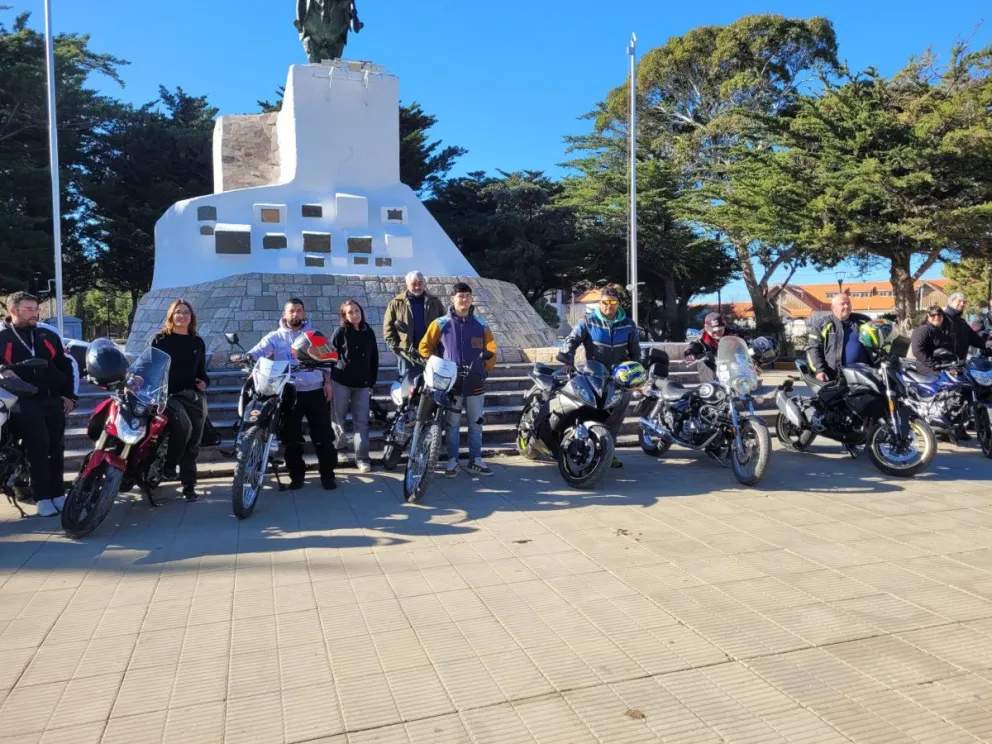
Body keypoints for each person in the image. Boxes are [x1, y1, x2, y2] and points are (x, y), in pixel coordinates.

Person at [235, 299, 337, 490]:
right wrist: (246, 357)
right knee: (291, 438)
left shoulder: (314, 334)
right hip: (288, 393)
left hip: (315, 390)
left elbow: (327, 359)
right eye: (291, 311)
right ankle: (296, 476)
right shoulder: (275, 337)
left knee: (323, 436)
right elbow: (259, 350)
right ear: (284, 314)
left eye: (299, 310)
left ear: (304, 313)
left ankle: (328, 475)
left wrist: (327, 383)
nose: (295, 314)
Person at [0, 292, 77, 516]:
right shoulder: (3, 336)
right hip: (22, 400)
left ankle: (58, 494)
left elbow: (64, 365)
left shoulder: (48, 334)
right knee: (39, 445)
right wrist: (3, 369)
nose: (34, 314)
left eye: (36, 309)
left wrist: (69, 396)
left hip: (52, 398)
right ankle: (41, 496)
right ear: (13, 310)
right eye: (28, 309)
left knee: (57, 446)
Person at [419, 283, 497, 478]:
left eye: (468, 296)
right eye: (461, 296)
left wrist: (484, 371)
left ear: (471, 299)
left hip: (475, 383)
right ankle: (452, 460)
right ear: (452, 299)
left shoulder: (481, 325)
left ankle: (475, 459)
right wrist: (437, 367)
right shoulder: (440, 323)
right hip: (451, 385)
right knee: (451, 424)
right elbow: (424, 348)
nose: (464, 299)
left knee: (476, 423)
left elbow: (492, 351)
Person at [560, 285, 640, 468]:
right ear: (600, 303)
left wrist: (636, 374)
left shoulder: (628, 324)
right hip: (594, 375)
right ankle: (580, 446)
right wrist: (567, 359)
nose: (608, 306)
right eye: (604, 302)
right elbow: (572, 340)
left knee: (615, 417)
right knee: (591, 412)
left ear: (618, 303)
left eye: (613, 302)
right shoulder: (588, 321)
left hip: (620, 378)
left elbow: (635, 352)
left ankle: (608, 453)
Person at [150, 299, 210, 502]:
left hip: (192, 395)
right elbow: (150, 367)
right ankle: (169, 466)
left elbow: (201, 372)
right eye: (178, 312)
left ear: (191, 317)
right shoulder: (159, 339)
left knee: (194, 442)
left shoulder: (197, 342)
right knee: (184, 426)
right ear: (171, 315)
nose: (182, 316)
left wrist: (204, 382)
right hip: (167, 395)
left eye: (186, 312)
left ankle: (189, 485)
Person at [329, 300, 379, 473]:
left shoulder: (368, 332)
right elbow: (330, 355)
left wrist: (372, 382)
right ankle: (340, 449)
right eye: (350, 312)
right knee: (338, 419)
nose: (355, 315)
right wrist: (328, 379)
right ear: (344, 315)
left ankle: (362, 458)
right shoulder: (340, 332)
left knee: (362, 422)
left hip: (362, 384)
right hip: (341, 381)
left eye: (357, 311)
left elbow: (374, 357)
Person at [383, 271, 445, 377]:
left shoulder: (435, 302)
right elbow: (388, 331)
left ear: (424, 284)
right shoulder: (396, 303)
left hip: (430, 354)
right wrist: (399, 349)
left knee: (431, 385)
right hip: (407, 356)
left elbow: (444, 325)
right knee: (408, 385)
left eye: (420, 283)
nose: (417, 287)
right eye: (413, 284)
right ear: (407, 285)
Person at [807, 293, 872, 382]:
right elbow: (814, 349)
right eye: (842, 304)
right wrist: (819, 370)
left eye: (848, 303)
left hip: (863, 376)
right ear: (833, 307)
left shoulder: (863, 321)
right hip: (835, 377)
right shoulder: (821, 325)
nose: (846, 306)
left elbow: (878, 342)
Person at [910, 306, 954, 377]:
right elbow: (917, 351)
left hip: (944, 366)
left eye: (939, 314)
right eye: (933, 315)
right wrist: (934, 364)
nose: (936, 317)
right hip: (929, 367)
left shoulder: (941, 331)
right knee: (947, 381)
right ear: (928, 316)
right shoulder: (922, 330)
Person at [684, 312, 726, 383]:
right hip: (711, 364)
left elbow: (743, 339)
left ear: (724, 326)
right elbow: (693, 345)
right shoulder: (701, 336)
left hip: (730, 364)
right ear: (706, 328)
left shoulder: (732, 333)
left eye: (720, 330)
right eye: (714, 331)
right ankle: (710, 385)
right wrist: (690, 353)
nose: (717, 333)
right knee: (703, 362)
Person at [942, 293, 985, 361]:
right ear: (950, 302)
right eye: (959, 301)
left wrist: (988, 344)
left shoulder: (962, 322)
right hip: (944, 363)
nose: (962, 304)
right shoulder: (942, 318)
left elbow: (976, 339)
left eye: (964, 302)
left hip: (960, 363)